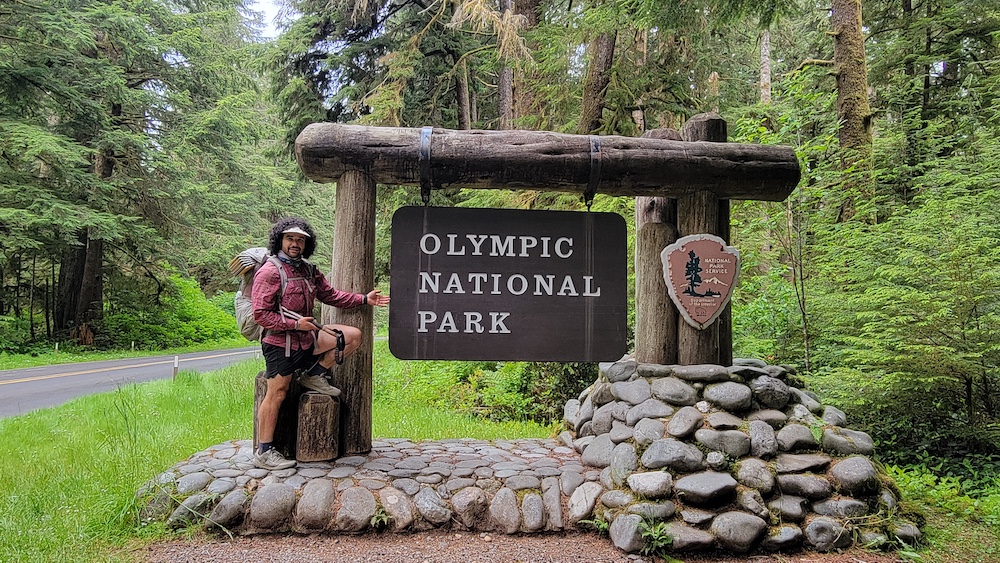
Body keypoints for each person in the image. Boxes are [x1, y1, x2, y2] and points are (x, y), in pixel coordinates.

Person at [251, 217, 389, 470]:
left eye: (300, 240)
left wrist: (363, 299)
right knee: (277, 393)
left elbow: (330, 295)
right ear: (280, 240)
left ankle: (314, 375)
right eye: (291, 239)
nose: (295, 244)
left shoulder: (309, 270)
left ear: (307, 244)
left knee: (352, 336)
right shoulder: (270, 271)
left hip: (308, 338)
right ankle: (264, 451)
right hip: (280, 343)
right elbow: (260, 314)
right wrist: (294, 325)